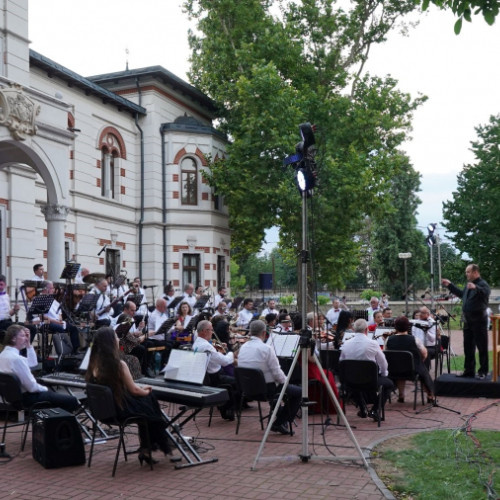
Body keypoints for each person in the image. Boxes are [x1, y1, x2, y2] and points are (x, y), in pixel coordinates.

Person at [85, 327, 172, 465]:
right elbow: (134, 391)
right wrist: (146, 391)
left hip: (104, 411)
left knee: (146, 406)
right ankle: (156, 444)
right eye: (116, 337)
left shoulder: (93, 364)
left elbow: (124, 387)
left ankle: (150, 447)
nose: (118, 339)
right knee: (149, 402)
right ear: (111, 342)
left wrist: (141, 390)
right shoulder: (119, 364)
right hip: (119, 411)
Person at [237, 320, 301, 435]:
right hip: (266, 390)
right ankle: (279, 423)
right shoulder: (266, 348)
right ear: (263, 333)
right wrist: (286, 382)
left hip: (247, 390)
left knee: (280, 391)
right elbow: (277, 372)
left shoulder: (243, 347)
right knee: (299, 392)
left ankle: (279, 413)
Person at [0, 324, 79, 412]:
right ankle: (61, 425)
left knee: (54, 394)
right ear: (13, 339)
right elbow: (32, 388)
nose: (26, 338)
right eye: (22, 336)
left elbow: (32, 363)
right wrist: (46, 389)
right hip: (26, 399)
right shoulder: (17, 359)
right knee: (71, 400)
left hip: (11, 398)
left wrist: (28, 345)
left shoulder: (3, 355)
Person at [442, 264, 491, 379]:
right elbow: (461, 294)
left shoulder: (483, 284)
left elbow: (485, 293)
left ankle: (483, 371)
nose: (466, 274)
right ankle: (469, 371)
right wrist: (450, 285)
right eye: (466, 272)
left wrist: (475, 288)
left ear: (475, 272)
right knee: (468, 347)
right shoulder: (468, 285)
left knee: (482, 347)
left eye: (468, 272)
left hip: (479, 320)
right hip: (468, 321)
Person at [339, 319, 394, 421]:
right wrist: (383, 374)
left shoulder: (345, 344)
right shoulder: (373, 343)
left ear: (353, 329)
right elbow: (383, 362)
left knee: (354, 378)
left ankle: (363, 408)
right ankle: (375, 410)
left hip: (350, 381)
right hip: (370, 381)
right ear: (366, 330)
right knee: (389, 384)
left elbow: (341, 362)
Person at [192, 320, 237, 421]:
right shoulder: (206, 346)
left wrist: (217, 350)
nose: (212, 332)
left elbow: (213, 357)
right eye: (211, 330)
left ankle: (226, 407)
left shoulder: (196, 343)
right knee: (237, 381)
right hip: (214, 378)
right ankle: (227, 409)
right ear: (204, 331)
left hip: (205, 377)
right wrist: (231, 353)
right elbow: (225, 361)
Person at [385, 316, 434, 403]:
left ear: (395, 327)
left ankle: (401, 395)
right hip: (413, 370)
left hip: (394, 370)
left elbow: (386, 353)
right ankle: (430, 395)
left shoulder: (389, 339)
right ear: (408, 326)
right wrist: (419, 361)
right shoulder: (415, 339)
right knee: (423, 371)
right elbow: (425, 353)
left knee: (400, 369)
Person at [115, 300, 153, 377]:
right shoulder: (120, 319)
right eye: (132, 310)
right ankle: (141, 369)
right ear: (125, 309)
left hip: (129, 340)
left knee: (149, 343)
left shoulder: (130, 318)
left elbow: (134, 333)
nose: (134, 313)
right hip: (123, 345)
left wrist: (139, 328)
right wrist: (146, 335)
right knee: (141, 348)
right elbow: (125, 335)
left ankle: (146, 367)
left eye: (135, 310)